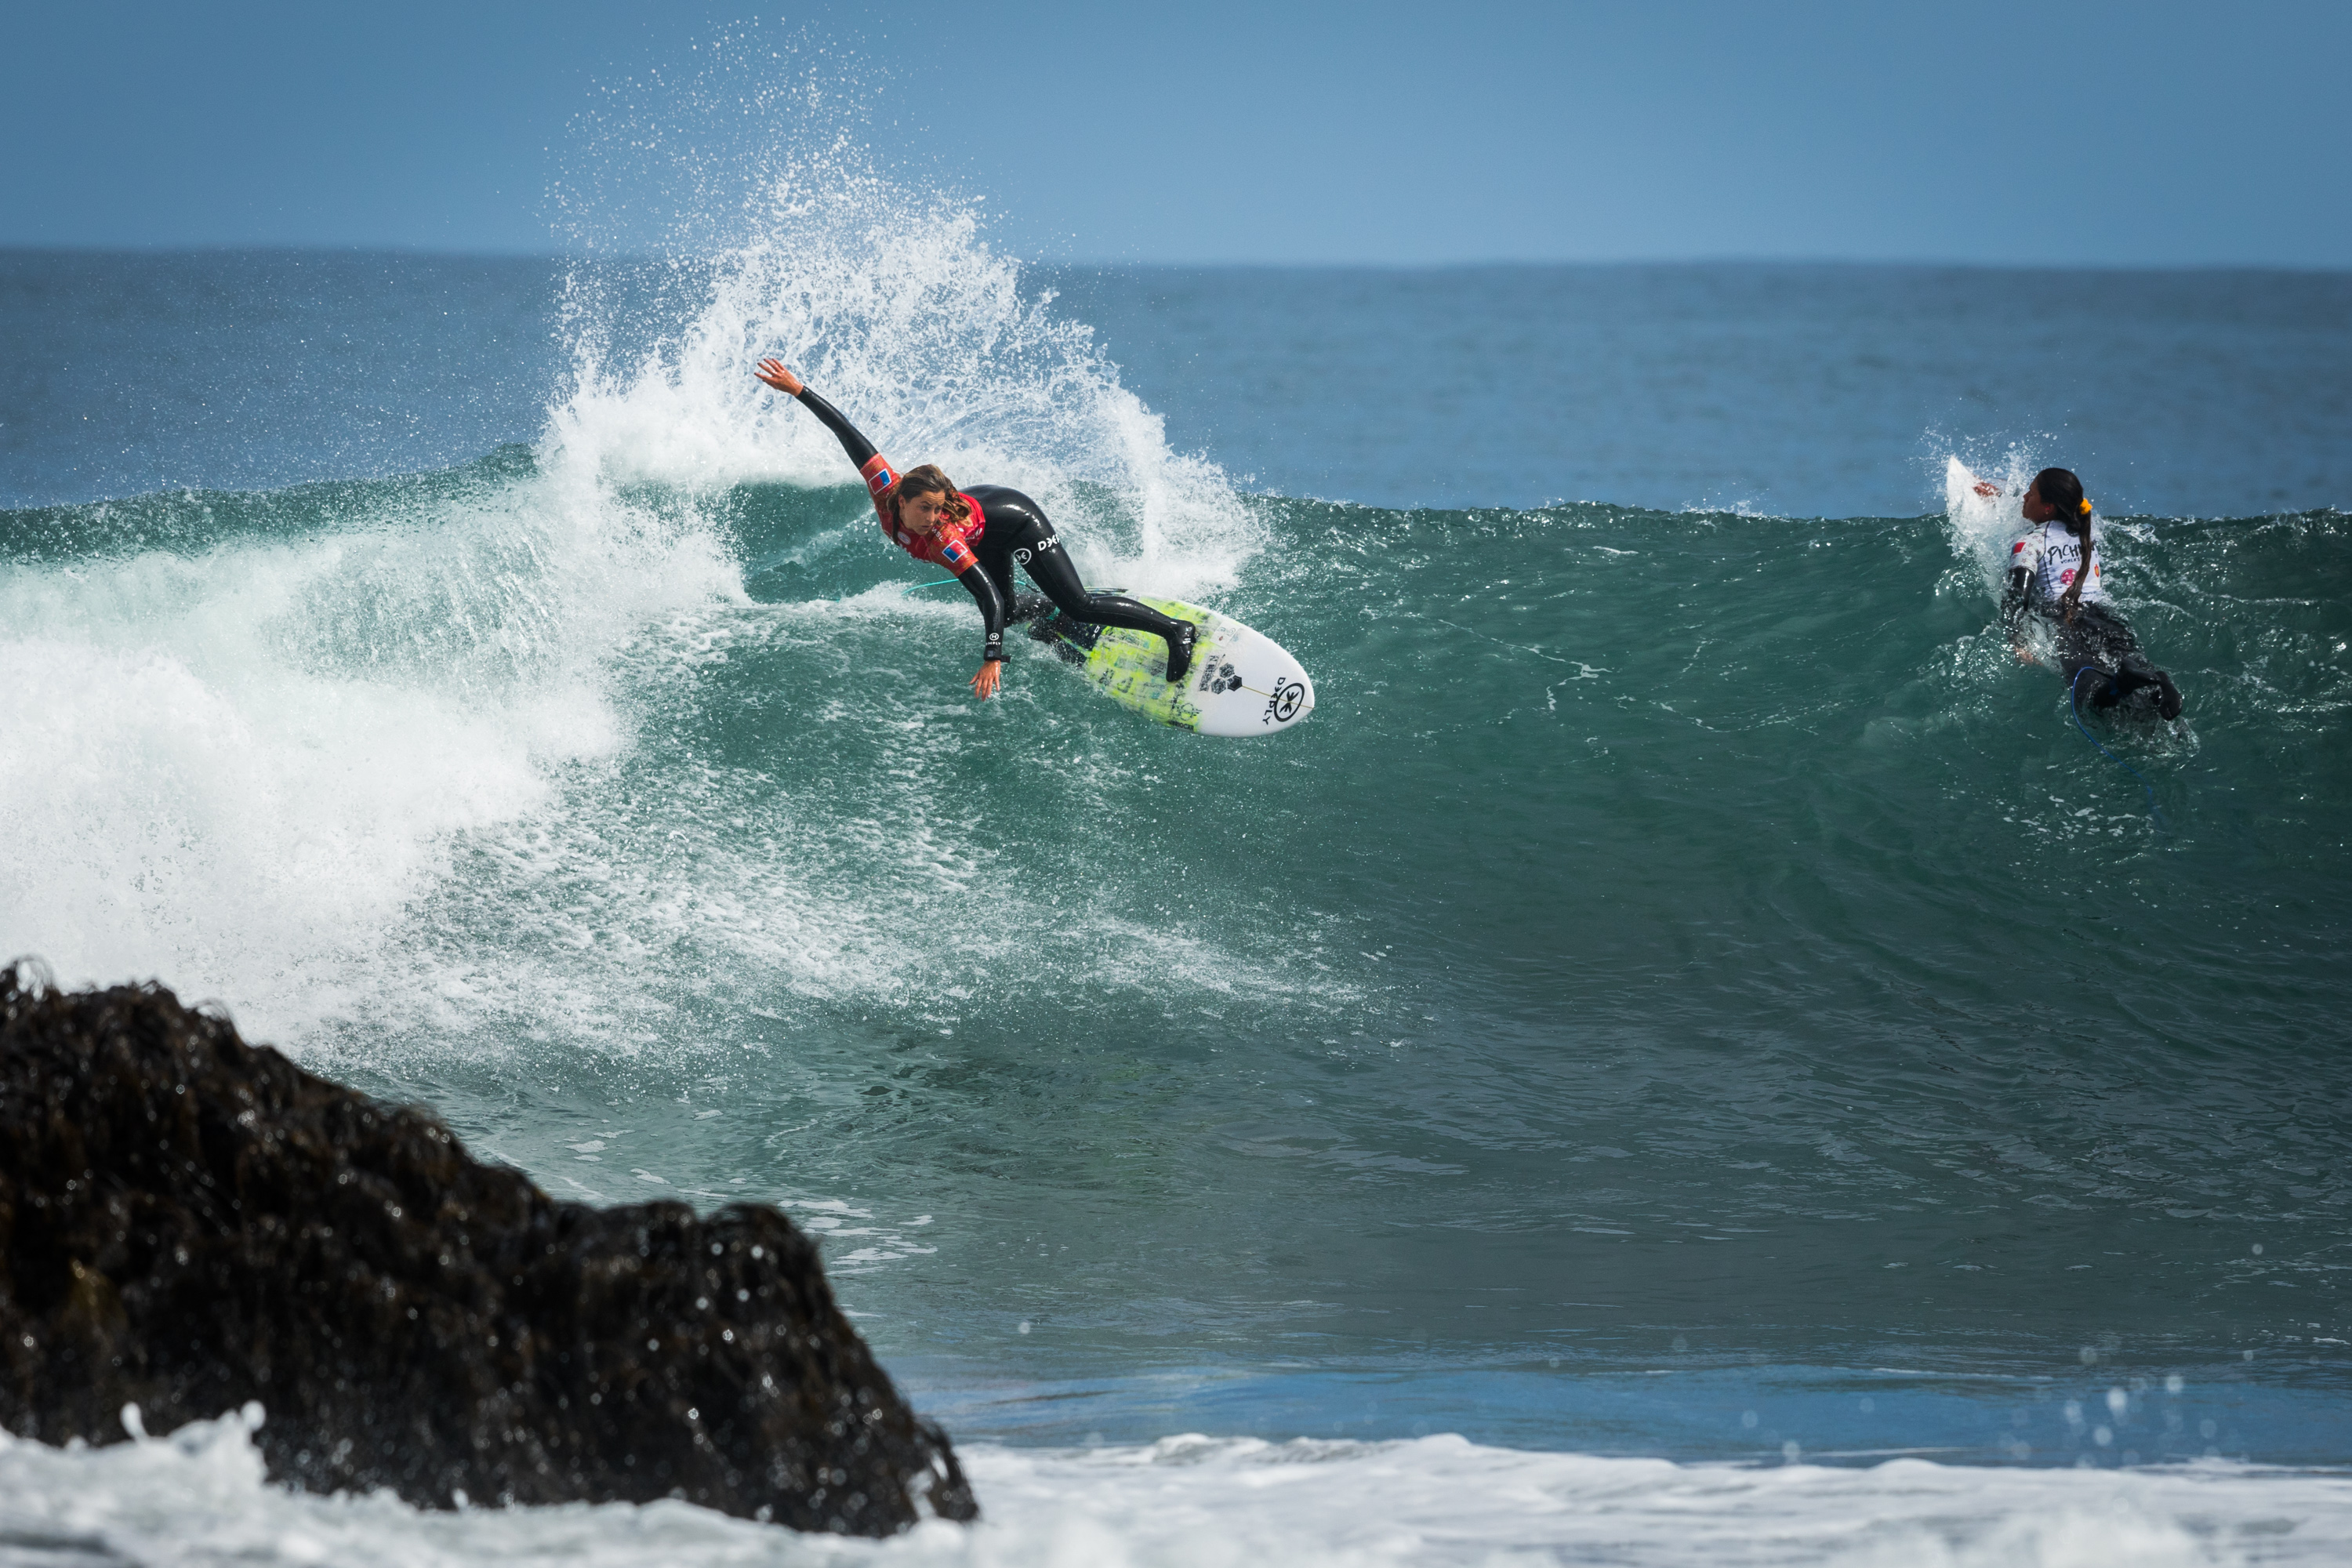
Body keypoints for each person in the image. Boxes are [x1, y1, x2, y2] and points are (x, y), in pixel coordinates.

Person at [752, 358, 1196, 700]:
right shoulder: (887, 486)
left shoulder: (945, 537)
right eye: (924, 509)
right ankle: (1051, 609)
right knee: (1014, 609)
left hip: (1016, 519)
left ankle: (1173, 630)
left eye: (938, 510)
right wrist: (799, 390)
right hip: (986, 531)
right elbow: (849, 433)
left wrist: (992, 657)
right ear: (902, 501)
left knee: (1077, 604)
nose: (930, 518)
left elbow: (984, 596)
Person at [1969, 464, 2182, 720]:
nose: (2024, 497)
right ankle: (2158, 680)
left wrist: (2017, 638)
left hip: (2067, 621)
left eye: (2031, 493)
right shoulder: (2086, 529)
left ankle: (2122, 684)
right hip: (2105, 616)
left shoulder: (2030, 542)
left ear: (2048, 507)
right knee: (2134, 671)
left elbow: (2018, 593)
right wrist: (1995, 497)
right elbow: (2038, 510)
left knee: (2090, 700)